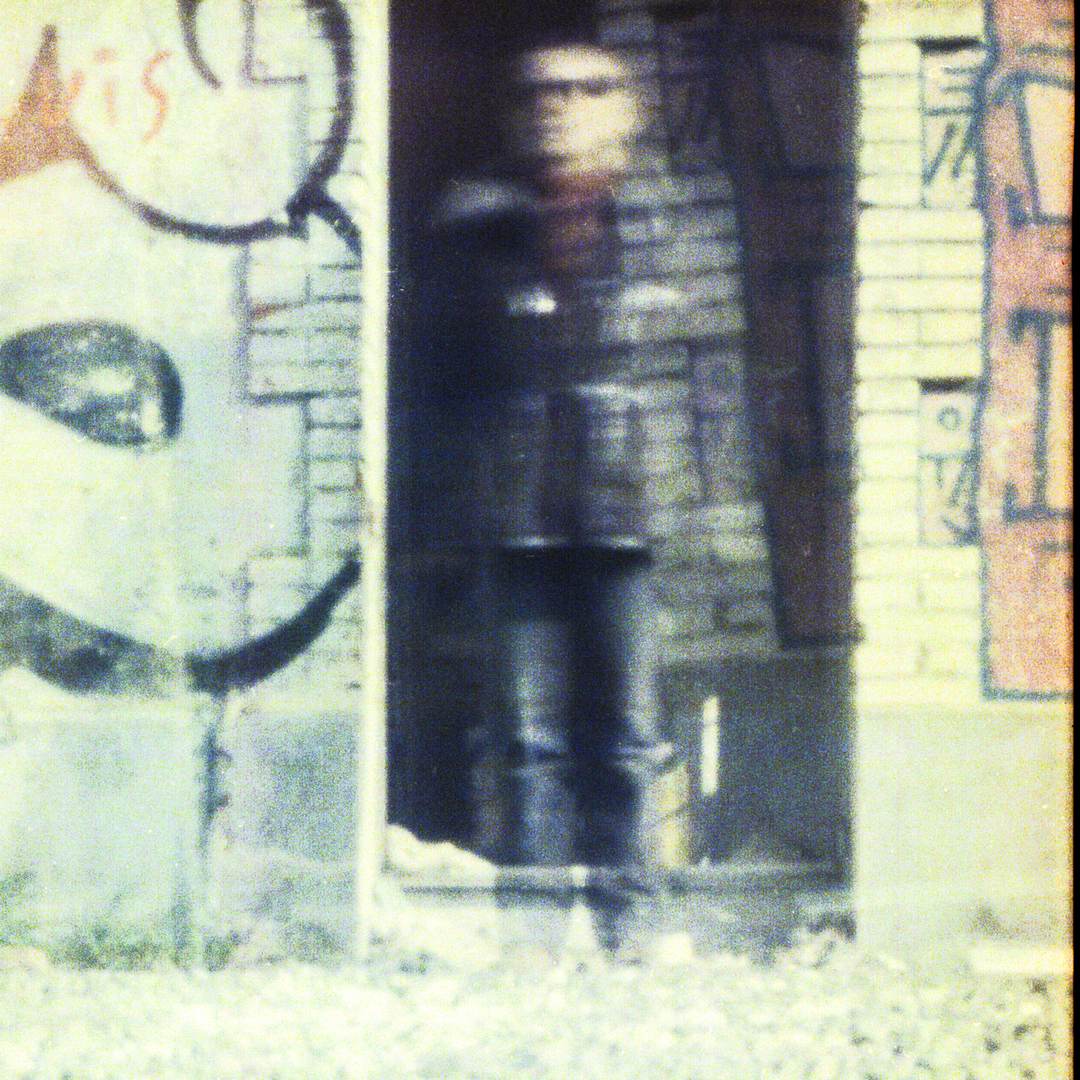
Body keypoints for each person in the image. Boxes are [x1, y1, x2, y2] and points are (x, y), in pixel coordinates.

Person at [429, 40, 670, 954]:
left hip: (627, 511)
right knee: (525, 735)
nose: (560, 105)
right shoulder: (475, 223)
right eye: (541, 91)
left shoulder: (657, 219)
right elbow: (444, 375)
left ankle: (627, 925)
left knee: (628, 735)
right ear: (515, 113)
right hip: (518, 513)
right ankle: (532, 932)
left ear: (626, 109)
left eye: (585, 88)